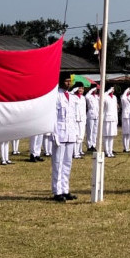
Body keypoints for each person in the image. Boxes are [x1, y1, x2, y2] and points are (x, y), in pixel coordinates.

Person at [52, 73, 78, 202]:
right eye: (66, 81)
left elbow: (73, 117)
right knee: (58, 163)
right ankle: (57, 191)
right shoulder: (56, 96)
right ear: (61, 82)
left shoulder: (72, 97)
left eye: (70, 81)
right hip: (60, 134)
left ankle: (65, 189)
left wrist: (77, 133)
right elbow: (53, 117)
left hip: (70, 133)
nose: (68, 83)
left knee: (67, 163)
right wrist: (54, 134)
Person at [102, 87, 118, 158]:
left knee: (111, 136)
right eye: (111, 89)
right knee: (106, 135)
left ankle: (110, 151)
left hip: (113, 118)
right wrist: (108, 91)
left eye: (113, 89)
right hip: (107, 118)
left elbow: (115, 108)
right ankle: (106, 151)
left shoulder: (114, 97)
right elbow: (101, 98)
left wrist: (116, 118)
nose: (112, 90)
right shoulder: (106, 96)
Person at [84, 86, 99, 152]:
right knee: (90, 131)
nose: (96, 90)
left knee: (95, 131)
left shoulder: (96, 97)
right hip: (90, 114)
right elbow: (86, 96)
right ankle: (89, 146)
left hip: (96, 115)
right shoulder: (89, 96)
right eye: (95, 89)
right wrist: (92, 89)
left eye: (96, 89)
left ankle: (93, 145)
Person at [120, 87, 130, 152]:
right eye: (128, 91)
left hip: (129, 116)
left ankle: (127, 147)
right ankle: (125, 147)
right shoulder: (123, 97)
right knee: (125, 133)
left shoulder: (129, 98)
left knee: (129, 133)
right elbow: (123, 97)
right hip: (125, 116)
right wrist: (126, 90)